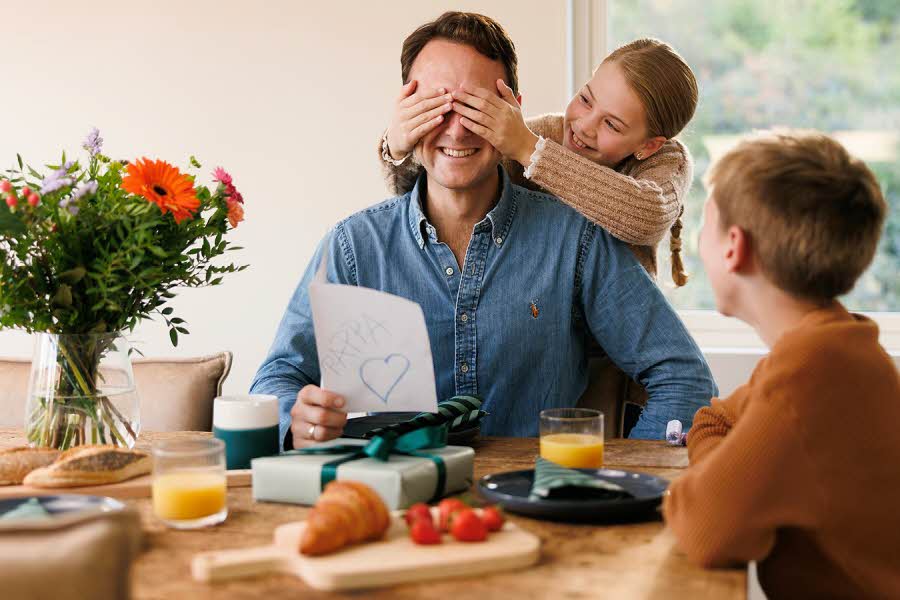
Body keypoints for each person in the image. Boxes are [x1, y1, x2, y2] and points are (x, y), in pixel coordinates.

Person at [251, 11, 715, 450]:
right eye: (435, 106)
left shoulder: (578, 238)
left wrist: (613, 482)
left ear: (511, 111)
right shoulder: (354, 246)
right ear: (406, 114)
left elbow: (684, 377)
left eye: (476, 108)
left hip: (538, 509)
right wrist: (297, 421)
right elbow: (276, 379)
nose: (456, 129)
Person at [662, 130, 900, 598]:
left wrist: (722, 482)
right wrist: (731, 476)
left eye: (703, 227)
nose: (696, 243)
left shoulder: (812, 372)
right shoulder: (834, 346)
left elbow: (704, 528)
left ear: (734, 246)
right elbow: (713, 419)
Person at [380, 37, 698, 286]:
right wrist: (397, 149)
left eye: (612, 125)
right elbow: (449, 181)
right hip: (540, 335)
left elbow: (649, 215)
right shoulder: (543, 133)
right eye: (586, 99)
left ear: (648, 145)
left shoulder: (666, 159)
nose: (585, 125)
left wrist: (529, 150)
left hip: (614, 355)